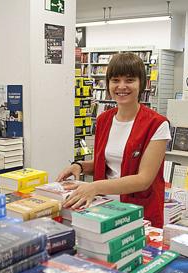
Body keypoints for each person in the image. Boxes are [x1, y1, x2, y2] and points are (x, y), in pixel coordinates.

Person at [56, 52, 171, 228]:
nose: (121, 86)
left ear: (141, 84)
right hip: (103, 210)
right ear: (108, 83)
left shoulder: (157, 124)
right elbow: (106, 163)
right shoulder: (103, 120)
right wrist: (80, 166)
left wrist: (94, 187)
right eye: (115, 80)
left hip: (138, 214)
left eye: (130, 80)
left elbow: (144, 179)